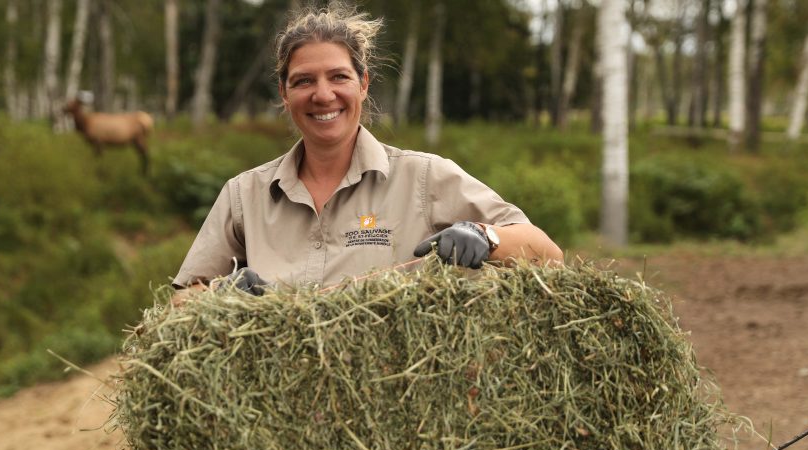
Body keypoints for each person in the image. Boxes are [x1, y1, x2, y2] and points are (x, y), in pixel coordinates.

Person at [171, 2, 562, 303]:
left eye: (338, 76)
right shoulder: (244, 195)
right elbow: (181, 302)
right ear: (284, 94)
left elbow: (547, 254)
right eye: (304, 80)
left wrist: (485, 235)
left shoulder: (423, 178)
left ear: (363, 84)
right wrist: (221, 295)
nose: (323, 95)